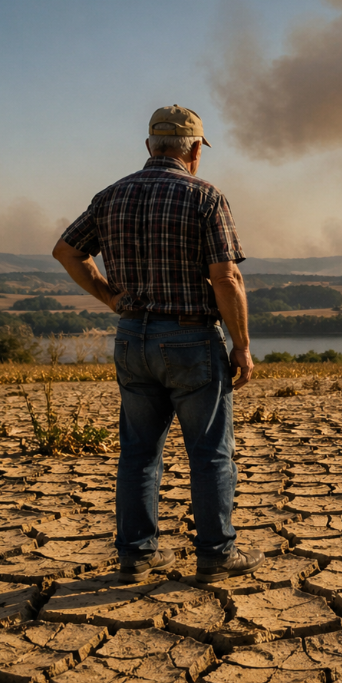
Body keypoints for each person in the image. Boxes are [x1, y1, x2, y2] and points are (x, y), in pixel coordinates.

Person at [52, 105, 263, 583]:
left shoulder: (111, 196)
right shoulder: (205, 197)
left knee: (139, 452)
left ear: (149, 146)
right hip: (189, 339)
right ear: (194, 150)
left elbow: (66, 250)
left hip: (131, 338)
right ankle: (214, 554)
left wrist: (109, 296)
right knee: (209, 452)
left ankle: (137, 554)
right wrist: (242, 346)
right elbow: (226, 277)